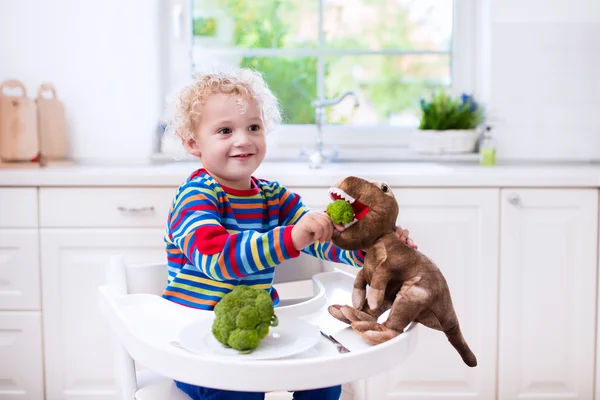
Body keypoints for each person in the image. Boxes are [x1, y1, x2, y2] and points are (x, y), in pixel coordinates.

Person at [162, 67, 417, 400]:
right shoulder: (196, 195)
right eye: (225, 130)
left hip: (260, 335)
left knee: (325, 377)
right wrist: (290, 238)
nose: (243, 139)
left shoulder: (272, 196)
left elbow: (322, 238)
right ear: (194, 143)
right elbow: (216, 257)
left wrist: (371, 249)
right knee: (241, 393)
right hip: (196, 346)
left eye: (253, 127)